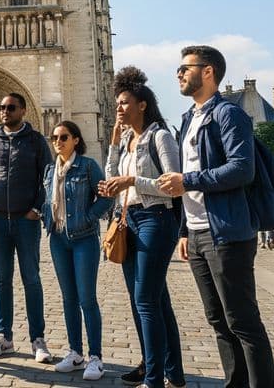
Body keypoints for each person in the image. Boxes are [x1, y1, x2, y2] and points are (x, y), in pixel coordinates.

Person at [158, 45, 274, 388]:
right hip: (196, 233)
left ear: (207, 71)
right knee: (218, 320)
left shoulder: (228, 114)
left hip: (226, 231)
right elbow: (188, 182)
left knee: (243, 321)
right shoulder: (187, 118)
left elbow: (242, 169)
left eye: (185, 68)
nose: (179, 73)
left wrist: (188, 181)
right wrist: (183, 229)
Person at [99, 67, 186, 388]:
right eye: (117, 103)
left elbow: (174, 184)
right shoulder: (126, 141)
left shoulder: (160, 136)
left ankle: (154, 377)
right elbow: (112, 177)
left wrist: (133, 180)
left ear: (142, 105)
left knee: (146, 300)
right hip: (129, 220)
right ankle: (171, 372)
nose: (118, 108)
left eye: (124, 103)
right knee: (153, 300)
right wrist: (112, 148)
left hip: (156, 220)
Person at [0, 92, 53, 363]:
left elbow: (48, 177)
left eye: (10, 108)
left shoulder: (36, 141)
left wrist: (37, 208)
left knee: (31, 279)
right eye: (1, 107)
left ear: (23, 110)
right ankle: (3, 337)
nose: (4, 112)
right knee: (0, 280)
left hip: (25, 220)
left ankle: (37, 339)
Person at [44, 120, 113, 381]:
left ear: (75, 140)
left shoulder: (88, 166)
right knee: (68, 299)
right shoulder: (51, 170)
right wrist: (44, 218)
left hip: (83, 238)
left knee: (87, 299)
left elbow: (107, 196)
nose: (58, 141)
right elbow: (47, 198)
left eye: (63, 137)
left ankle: (95, 357)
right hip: (58, 239)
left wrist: (88, 217)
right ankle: (75, 352)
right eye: (54, 138)